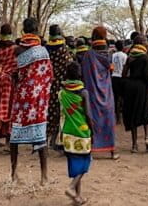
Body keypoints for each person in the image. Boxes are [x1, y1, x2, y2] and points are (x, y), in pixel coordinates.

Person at [10, 18, 53, 185]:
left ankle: (14, 174)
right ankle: (44, 177)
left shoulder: (17, 49)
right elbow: (49, 75)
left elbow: (12, 73)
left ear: (23, 31)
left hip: (21, 98)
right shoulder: (43, 51)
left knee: (15, 134)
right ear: (37, 30)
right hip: (38, 99)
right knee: (40, 135)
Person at [80, 26, 118, 159]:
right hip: (106, 92)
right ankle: (112, 151)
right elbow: (111, 69)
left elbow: (83, 73)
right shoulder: (109, 54)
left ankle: (90, 150)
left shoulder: (88, 55)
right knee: (109, 119)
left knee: (92, 118)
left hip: (92, 92)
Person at [59, 62, 93, 206]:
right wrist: (93, 131)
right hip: (82, 131)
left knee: (75, 162)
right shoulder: (83, 92)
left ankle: (77, 198)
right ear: (79, 74)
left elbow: (60, 113)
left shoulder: (62, 92)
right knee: (85, 161)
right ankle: (71, 187)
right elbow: (88, 114)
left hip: (67, 131)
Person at [122, 34, 148, 153]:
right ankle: (147, 138)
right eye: (145, 41)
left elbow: (124, 74)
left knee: (133, 114)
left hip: (130, 86)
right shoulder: (145, 57)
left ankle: (134, 145)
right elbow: (147, 76)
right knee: (145, 113)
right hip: (141, 87)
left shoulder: (129, 56)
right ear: (141, 43)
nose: (147, 42)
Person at [46, 24, 74, 150]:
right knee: (60, 112)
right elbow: (69, 66)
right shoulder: (64, 49)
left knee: (49, 112)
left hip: (48, 84)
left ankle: (45, 139)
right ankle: (54, 140)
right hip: (61, 85)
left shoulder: (45, 48)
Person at [0, 24, 16, 149]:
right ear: (11, 34)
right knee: (7, 110)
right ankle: (7, 142)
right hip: (8, 81)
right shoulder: (14, 48)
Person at [111, 39, 127, 122]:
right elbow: (125, 67)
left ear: (116, 47)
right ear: (123, 47)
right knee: (123, 98)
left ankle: (117, 118)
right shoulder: (125, 56)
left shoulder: (113, 55)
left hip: (114, 77)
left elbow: (111, 67)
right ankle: (124, 117)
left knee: (116, 99)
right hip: (122, 78)